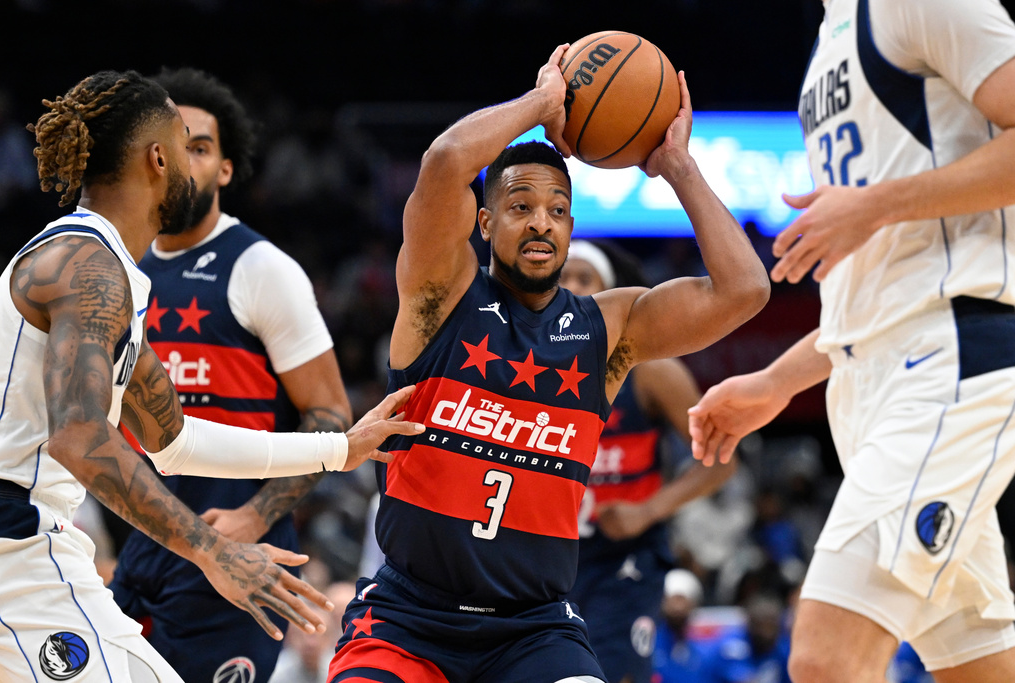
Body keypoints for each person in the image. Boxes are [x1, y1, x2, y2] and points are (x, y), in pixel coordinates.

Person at [327, 44, 770, 682]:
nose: (541, 223)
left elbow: (745, 291)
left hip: (532, 628)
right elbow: (446, 162)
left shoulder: (608, 329)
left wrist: (677, 165)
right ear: (483, 222)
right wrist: (542, 105)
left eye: (558, 211)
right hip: (408, 619)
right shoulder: (439, 296)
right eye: (520, 207)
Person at [0, 69, 422, 683]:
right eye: (184, 140)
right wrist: (214, 550)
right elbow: (78, 434)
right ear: (159, 157)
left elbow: (177, 441)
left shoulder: (107, 272)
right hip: (14, 542)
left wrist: (341, 449)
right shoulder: (88, 265)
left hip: (27, 545)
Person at [688, 1, 1015, 680]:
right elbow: (888, 282)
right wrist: (776, 380)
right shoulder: (831, 37)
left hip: (953, 358)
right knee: (978, 668)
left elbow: (897, 236)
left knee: (826, 658)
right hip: (872, 380)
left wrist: (877, 203)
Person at [105, 67, 353, 683]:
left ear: (225, 170)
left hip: (239, 549)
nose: (186, 159)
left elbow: (331, 417)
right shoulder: (119, 265)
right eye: (174, 142)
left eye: (203, 146)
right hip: (143, 543)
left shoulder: (262, 268)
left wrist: (254, 513)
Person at [559, 238, 737, 683]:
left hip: (624, 558)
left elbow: (721, 461)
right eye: (563, 278)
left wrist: (648, 511)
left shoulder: (650, 371)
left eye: (586, 278)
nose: (574, 287)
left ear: (611, 290)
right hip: (546, 556)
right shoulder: (524, 365)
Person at [652, 568, 715, 683]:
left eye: (682, 599)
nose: (678, 607)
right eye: (673, 599)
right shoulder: (650, 642)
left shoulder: (701, 648)